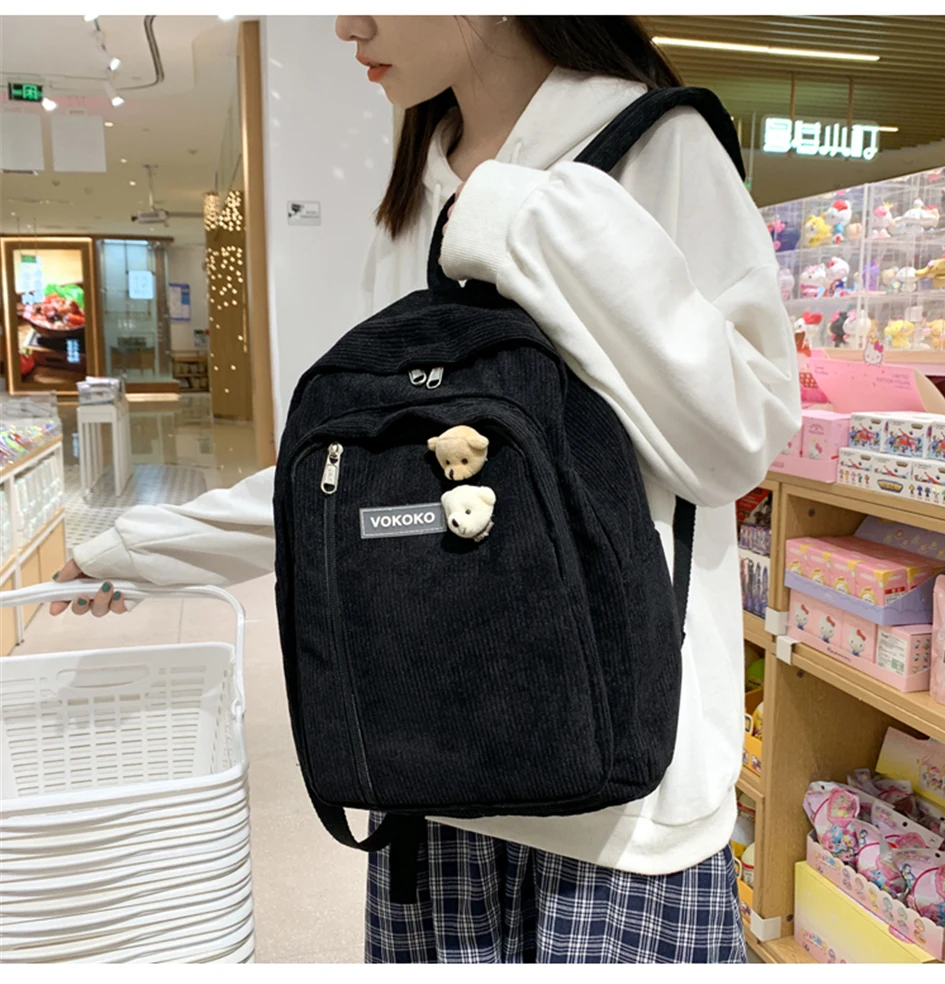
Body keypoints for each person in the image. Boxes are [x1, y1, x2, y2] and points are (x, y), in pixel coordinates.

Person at [52, 15, 800, 964]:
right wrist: (139, 550)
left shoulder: (656, 143)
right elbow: (354, 481)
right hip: (428, 757)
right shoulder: (413, 195)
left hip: (621, 805)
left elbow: (740, 440)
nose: (347, 23)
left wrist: (528, 219)